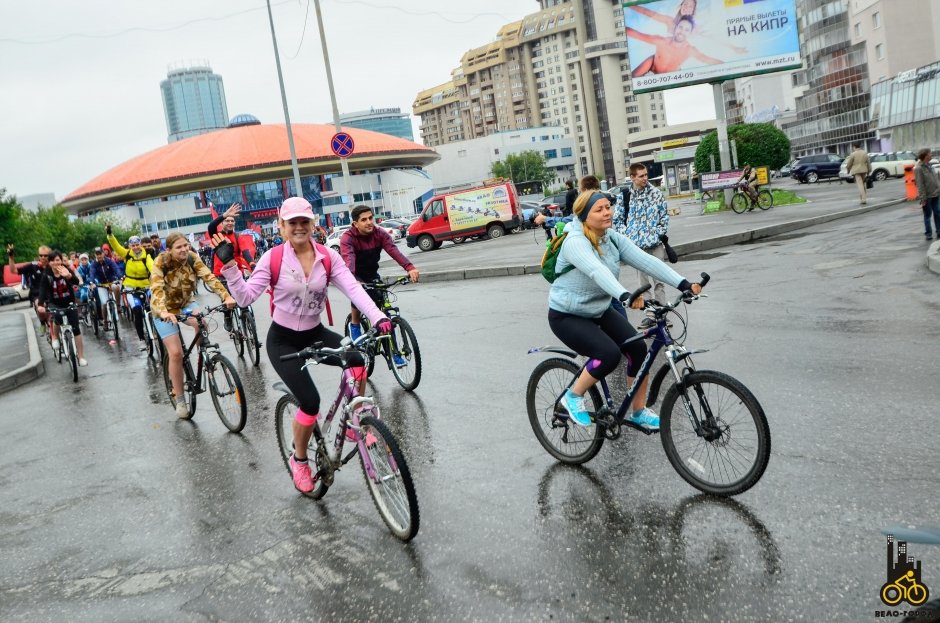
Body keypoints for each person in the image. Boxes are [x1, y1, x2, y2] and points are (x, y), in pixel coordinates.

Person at [211, 197, 392, 493]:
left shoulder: (327, 257)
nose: (298, 227)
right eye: (291, 222)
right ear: (281, 226)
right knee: (310, 402)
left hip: (315, 332)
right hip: (283, 341)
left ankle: (353, 420)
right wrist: (230, 267)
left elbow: (353, 289)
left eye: (303, 222)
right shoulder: (273, 258)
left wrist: (379, 317)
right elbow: (244, 298)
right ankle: (299, 460)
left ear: (313, 224)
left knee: (358, 360)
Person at [548, 191, 703, 430]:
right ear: (584, 216)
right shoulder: (575, 242)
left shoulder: (611, 238)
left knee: (637, 349)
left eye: (607, 207)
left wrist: (683, 284)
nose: (607, 212)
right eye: (598, 209)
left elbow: (646, 260)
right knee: (608, 355)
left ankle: (638, 411)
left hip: (598, 310)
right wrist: (624, 295)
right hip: (567, 315)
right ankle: (573, 396)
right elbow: (596, 271)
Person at [149, 232, 235, 419]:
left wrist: (225, 295)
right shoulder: (160, 262)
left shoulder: (191, 257)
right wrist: (163, 311)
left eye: (185, 245)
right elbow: (156, 289)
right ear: (169, 249)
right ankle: (180, 399)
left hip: (186, 303)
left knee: (201, 321)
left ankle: (202, 357)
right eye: (178, 247)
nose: (183, 249)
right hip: (164, 309)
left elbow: (209, 277)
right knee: (176, 353)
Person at [340, 204, 419, 363]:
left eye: (370, 218)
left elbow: (393, 250)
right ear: (355, 224)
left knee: (385, 313)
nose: (369, 222)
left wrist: (409, 267)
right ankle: (355, 325)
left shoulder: (379, 233)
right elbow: (349, 261)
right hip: (354, 274)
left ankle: (393, 352)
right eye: (364, 220)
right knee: (358, 294)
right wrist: (354, 281)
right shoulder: (348, 238)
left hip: (372, 272)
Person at [627, 0, 746, 76]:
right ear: (681, 6)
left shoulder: (694, 30)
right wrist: (629, 4)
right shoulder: (669, 21)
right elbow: (647, 12)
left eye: (690, 6)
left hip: (676, 61)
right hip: (660, 53)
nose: (687, 7)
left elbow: (714, 38)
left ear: (693, 11)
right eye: (685, 4)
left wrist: (734, 47)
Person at [625, 163, 671, 330]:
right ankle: (650, 315)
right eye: (641, 176)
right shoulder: (625, 196)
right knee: (643, 283)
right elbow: (618, 220)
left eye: (646, 175)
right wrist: (628, 236)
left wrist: (656, 234)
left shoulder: (656, 194)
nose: (645, 178)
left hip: (655, 244)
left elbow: (664, 218)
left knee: (660, 280)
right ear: (632, 177)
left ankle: (662, 313)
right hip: (636, 247)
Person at [207, 202, 254, 332]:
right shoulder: (216, 235)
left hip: (237, 273)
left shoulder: (238, 236)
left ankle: (249, 323)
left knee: (244, 301)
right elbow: (211, 226)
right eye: (227, 220)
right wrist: (224, 215)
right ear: (222, 223)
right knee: (228, 300)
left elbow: (245, 253)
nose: (229, 222)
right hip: (221, 274)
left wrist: (252, 264)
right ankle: (227, 318)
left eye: (232, 220)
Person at [36, 251, 87, 366]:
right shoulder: (47, 275)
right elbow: (42, 291)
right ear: (49, 263)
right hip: (55, 303)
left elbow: (76, 282)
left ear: (61, 261)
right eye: (53, 260)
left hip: (69, 301)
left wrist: (68, 276)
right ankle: (55, 337)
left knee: (76, 328)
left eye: (58, 260)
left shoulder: (65, 270)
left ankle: (81, 357)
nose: (56, 262)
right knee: (57, 317)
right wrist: (40, 305)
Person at [106, 226, 155, 348]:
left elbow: (152, 267)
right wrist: (110, 234)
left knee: (153, 308)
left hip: (146, 286)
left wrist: (156, 276)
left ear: (140, 245)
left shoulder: (146, 255)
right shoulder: (126, 254)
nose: (135, 247)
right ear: (130, 246)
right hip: (131, 288)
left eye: (137, 245)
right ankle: (142, 337)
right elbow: (115, 245)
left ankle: (157, 329)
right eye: (133, 246)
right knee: (137, 310)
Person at [627, 16, 721, 76]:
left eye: (686, 30)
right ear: (675, 28)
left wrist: (732, 67)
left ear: (690, 33)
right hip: (652, 74)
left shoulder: (689, 50)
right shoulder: (661, 41)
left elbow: (708, 59)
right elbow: (638, 35)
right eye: (680, 27)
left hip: (671, 79)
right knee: (648, 63)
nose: (682, 32)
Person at [7, 243, 51, 328]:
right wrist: (11, 256)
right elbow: (13, 270)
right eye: (40, 255)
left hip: (50, 293)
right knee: (41, 307)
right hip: (36, 294)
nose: (43, 258)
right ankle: (42, 324)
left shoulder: (53, 266)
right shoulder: (33, 266)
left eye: (45, 256)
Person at [88, 246, 122, 331]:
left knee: (116, 288)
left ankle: (118, 306)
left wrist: (120, 276)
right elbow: (92, 273)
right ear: (95, 255)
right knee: (104, 303)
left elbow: (116, 268)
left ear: (103, 253)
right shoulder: (93, 264)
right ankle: (105, 321)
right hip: (101, 284)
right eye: (97, 254)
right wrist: (91, 282)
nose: (99, 256)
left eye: (100, 254)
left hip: (111, 282)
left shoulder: (109, 261)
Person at [915, 148, 940, 240]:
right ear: (925, 156)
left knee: (937, 213)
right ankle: (928, 234)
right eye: (930, 153)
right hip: (927, 196)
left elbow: (935, 179)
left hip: (936, 194)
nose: (931, 155)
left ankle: (939, 232)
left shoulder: (930, 166)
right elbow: (920, 184)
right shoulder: (919, 168)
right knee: (927, 215)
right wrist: (923, 198)